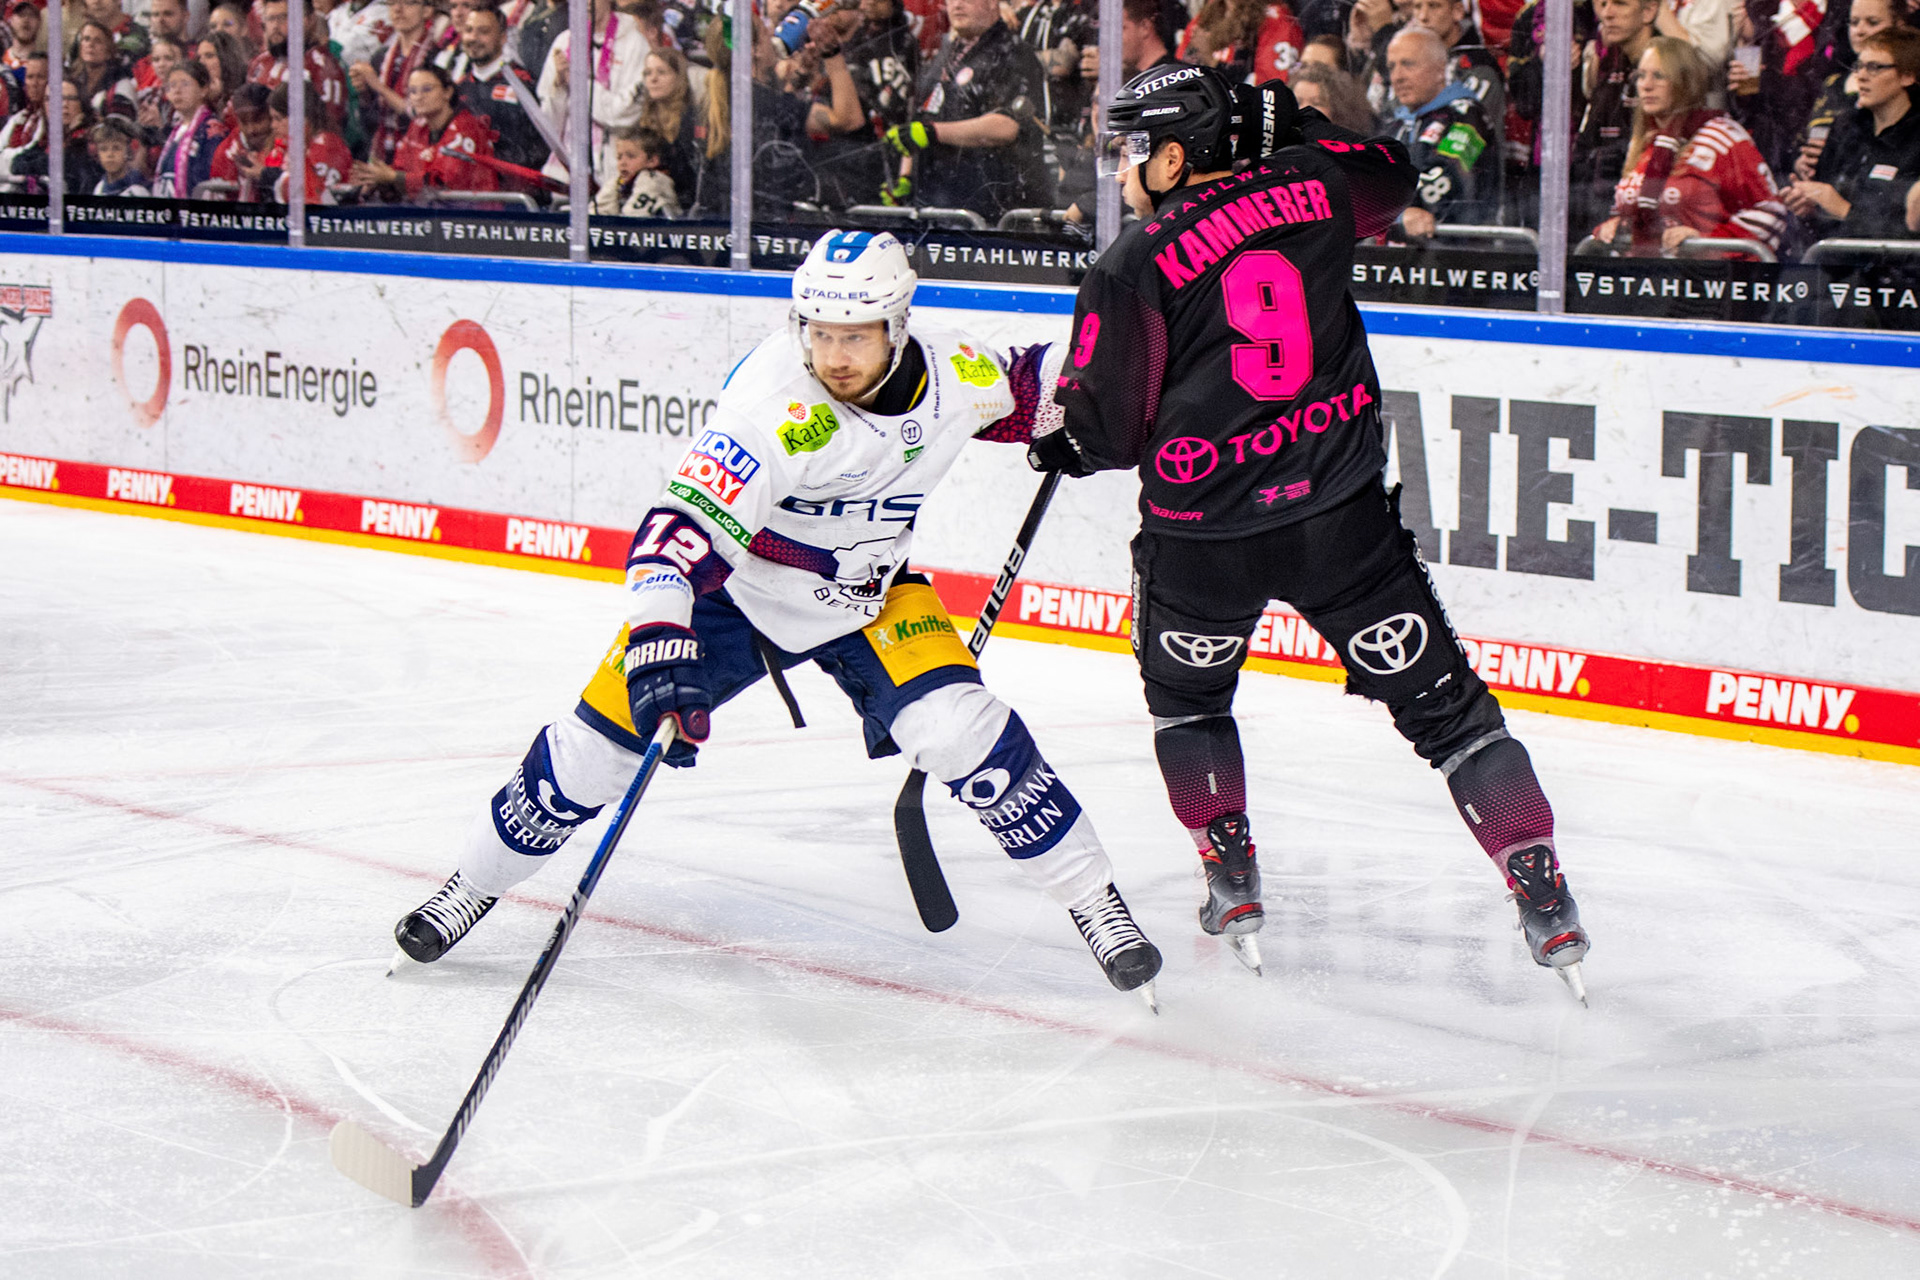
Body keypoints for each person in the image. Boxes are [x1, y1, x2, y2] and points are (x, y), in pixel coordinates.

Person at [389, 230, 1166, 1007]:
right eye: (819, 333)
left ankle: (1098, 903)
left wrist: (1083, 414)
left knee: (964, 730)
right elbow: (674, 533)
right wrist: (661, 637)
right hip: (736, 595)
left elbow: (1038, 382)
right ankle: (470, 886)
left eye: (855, 337)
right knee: (590, 757)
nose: (834, 355)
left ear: (898, 326)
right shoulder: (771, 406)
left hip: (870, 597)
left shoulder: (955, 372)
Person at [1027, 65, 1592, 999]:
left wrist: (1068, 442)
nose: (1124, 172)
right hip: (1341, 522)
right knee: (1452, 720)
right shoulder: (1316, 187)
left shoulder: (1129, 263)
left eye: (1136, 151)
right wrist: (1288, 124)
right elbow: (1392, 173)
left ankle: (1232, 880)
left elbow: (1112, 432)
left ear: (1177, 156)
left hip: (1202, 542)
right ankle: (1544, 892)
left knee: (1191, 708)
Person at [1591, 36, 1789, 254]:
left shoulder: (1722, 137)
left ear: (1684, 81)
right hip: (1645, 278)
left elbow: (1771, 213)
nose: (1646, 85)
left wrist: (1706, 241)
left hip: (1704, 280)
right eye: (1641, 76)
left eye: (1659, 76)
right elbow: (1636, 216)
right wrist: (1614, 228)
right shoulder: (1642, 143)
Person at [887, 0, 1051, 219]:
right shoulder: (949, 52)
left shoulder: (1012, 52)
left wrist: (934, 132)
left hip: (989, 206)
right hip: (936, 200)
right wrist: (905, 177)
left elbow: (1007, 126)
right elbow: (923, 113)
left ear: (993, 4)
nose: (957, 5)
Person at [1785, 25, 1920, 235]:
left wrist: (1843, 209)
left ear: (1907, 76)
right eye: (1859, 66)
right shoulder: (1845, 128)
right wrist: (1809, 206)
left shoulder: (1914, 141)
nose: (1861, 76)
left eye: (1874, 67)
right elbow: (1824, 211)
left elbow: (1908, 233)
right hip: (1828, 259)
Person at [1386, 24, 1499, 235]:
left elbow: (1444, 184)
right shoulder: (1396, 124)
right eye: (1392, 67)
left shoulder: (1467, 116)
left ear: (1440, 69)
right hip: (1400, 259)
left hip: (1456, 255)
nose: (1397, 76)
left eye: (1408, 64)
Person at [536, 0, 648, 186]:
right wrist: (559, 87)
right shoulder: (565, 42)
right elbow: (549, 127)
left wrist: (577, 83)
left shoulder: (634, 43)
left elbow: (624, 115)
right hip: (564, 176)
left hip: (614, 174)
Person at [351, 61, 499, 199]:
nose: (418, 97)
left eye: (427, 89)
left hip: (475, 217)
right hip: (429, 215)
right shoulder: (418, 126)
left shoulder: (467, 128)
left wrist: (392, 177)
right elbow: (400, 168)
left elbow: (443, 184)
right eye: (413, 91)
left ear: (447, 92)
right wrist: (375, 178)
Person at [1575, 0, 1659, 231]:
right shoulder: (1609, 66)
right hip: (1595, 213)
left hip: (1641, 222)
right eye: (1603, 3)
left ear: (1649, 11)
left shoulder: (1664, 75)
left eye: (1620, 3)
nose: (1607, 13)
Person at [451, 1, 546, 176]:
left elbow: (537, 152)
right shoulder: (457, 89)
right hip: (466, 193)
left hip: (510, 194)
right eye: (469, 30)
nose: (473, 38)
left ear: (502, 37)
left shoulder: (522, 85)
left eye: (483, 31)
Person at [351, 0, 446, 163]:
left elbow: (419, 113)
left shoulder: (437, 57)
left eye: (408, 3)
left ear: (427, 10)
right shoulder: (381, 58)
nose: (398, 9)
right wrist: (364, 92)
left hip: (421, 155)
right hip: (383, 154)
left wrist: (378, 86)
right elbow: (370, 122)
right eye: (392, 2)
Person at [249, 0, 351, 134]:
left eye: (284, 17)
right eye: (270, 19)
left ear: (308, 20)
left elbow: (327, 127)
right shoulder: (259, 64)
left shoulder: (321, 67)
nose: (275, 25)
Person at [636, 44, 700, 208]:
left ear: (679, 77)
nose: (653, 79)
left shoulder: (693, 122)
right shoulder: (642, 125)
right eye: (648, 73)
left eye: (661, 72)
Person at [153, 57, 228, 194]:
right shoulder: (174, 132)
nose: (177, 91)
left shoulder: (211, 130)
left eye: (185, 84)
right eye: (172, 85)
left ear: (203, 89)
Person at [208, 79, 276, 198]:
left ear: (271, 115)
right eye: (244, 122)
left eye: (258, 120)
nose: (251, 129)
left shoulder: (289, 145)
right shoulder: (225, 153)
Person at [590, 122, 678, 213]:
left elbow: (634, 218)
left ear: (652, 161)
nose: (623, 163)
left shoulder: (654, 181)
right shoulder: (618, 182)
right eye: (619, 157)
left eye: (631, 156)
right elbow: (595, 213)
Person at [72, 19, 138, 120]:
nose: (90, 44)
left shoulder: (120, 86)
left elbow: (118, 130)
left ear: (108, 52)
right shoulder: (72, 81)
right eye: (86, 39)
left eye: (97, 41)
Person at [0, 49, 43, 191]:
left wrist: (5, 157)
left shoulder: (51, 121)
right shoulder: (18, 118)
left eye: (40, 77)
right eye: (30, 77)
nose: (34, 83)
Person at [91, 114, 150, 194]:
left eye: (116, 148)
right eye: (103, 149)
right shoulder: (99, 188)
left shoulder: (137, 191)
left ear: (128, 150)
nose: (110, 154)